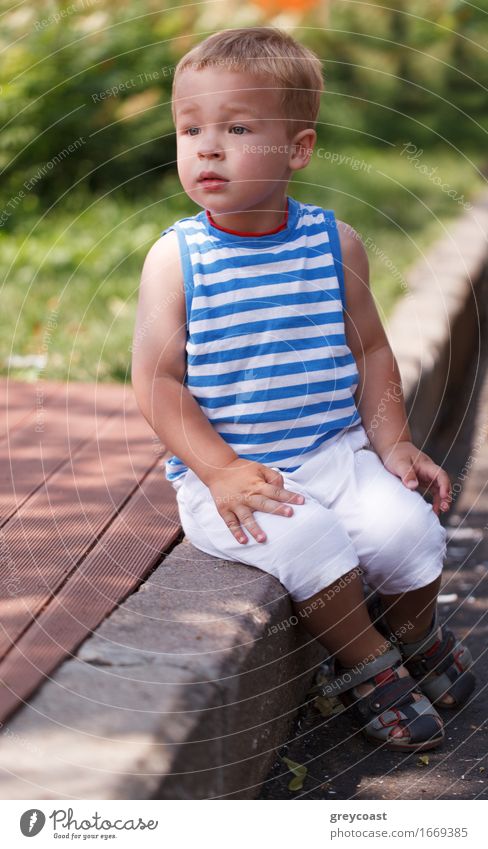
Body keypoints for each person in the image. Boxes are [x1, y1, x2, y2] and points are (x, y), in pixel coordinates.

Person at [131, 26, 475, 751]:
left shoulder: (333, 244)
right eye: (190, 129)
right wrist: (219, 468)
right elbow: (157, 382)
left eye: (238, 127)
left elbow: (374, 350)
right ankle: (370, 666)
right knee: (313, 541)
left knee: (409, 531)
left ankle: (415, 633)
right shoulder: (177, 259)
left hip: (333, 450)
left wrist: (396, 440)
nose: (208, 147)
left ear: (299, 148)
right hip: (231, 475)